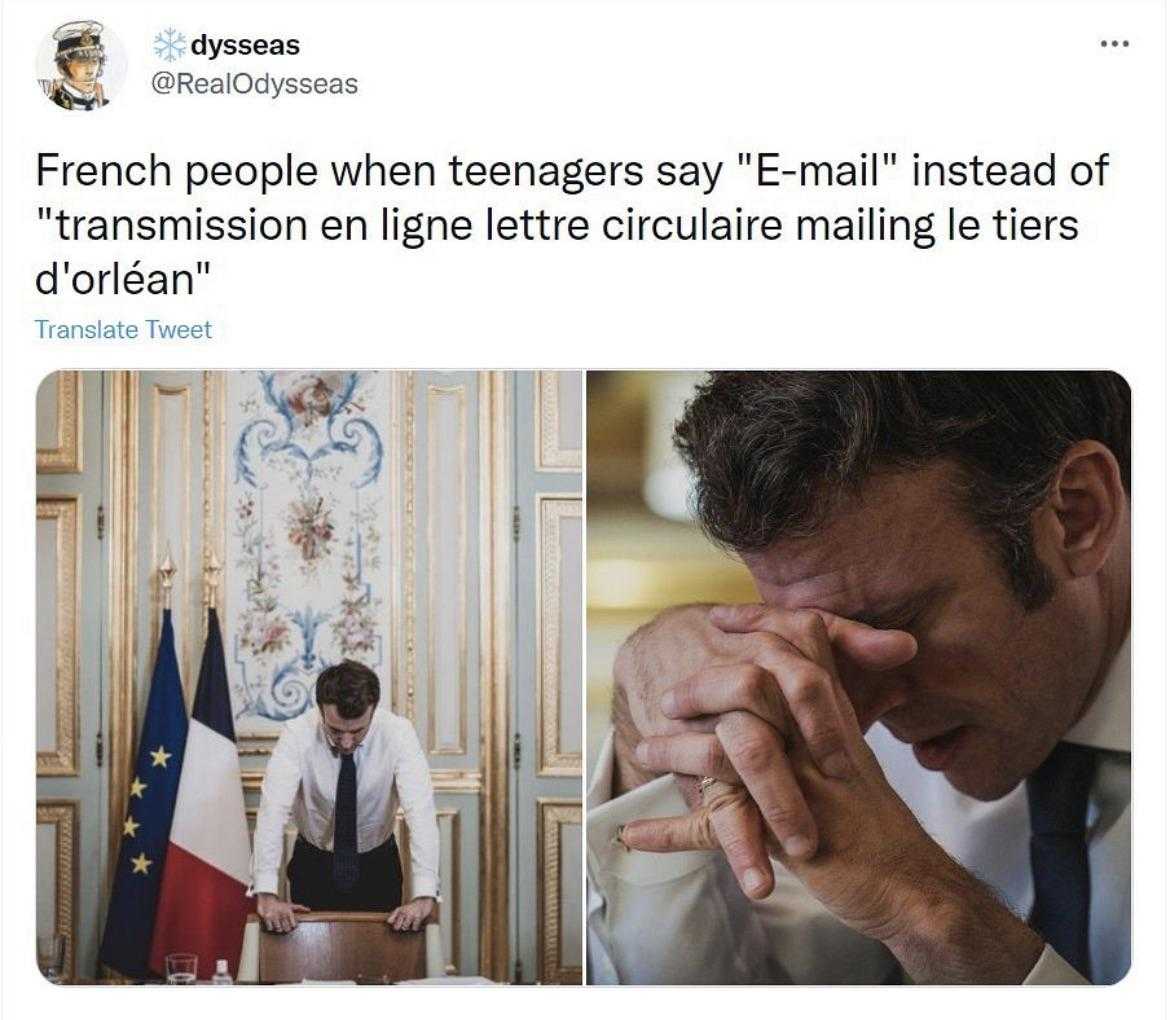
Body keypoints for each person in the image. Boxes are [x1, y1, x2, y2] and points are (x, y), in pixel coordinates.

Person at [587, 372, 1130, 984]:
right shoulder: (825, 715)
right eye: (819, 637)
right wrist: (649, 737)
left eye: (897, 623)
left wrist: (927, 908)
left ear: (1077, 514)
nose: (859, 706)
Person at [251, 660, 440, 933]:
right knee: (311, 969)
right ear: (321, 711)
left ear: (373, 710)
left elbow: (420, 813)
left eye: (357, 731)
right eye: (336, 731)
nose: (347, 742)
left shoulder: (398, 733)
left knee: (378, 967)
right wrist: (266, 894)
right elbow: (273, 811)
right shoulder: (297, 734)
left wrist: (424, 894)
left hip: (378, 864)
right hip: (312, 863)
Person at [47, 22, 109, 111]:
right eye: (82, 62)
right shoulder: (54, 103)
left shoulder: (103, 105)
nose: (90, 71)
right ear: (62, 67)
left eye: (95, 61)